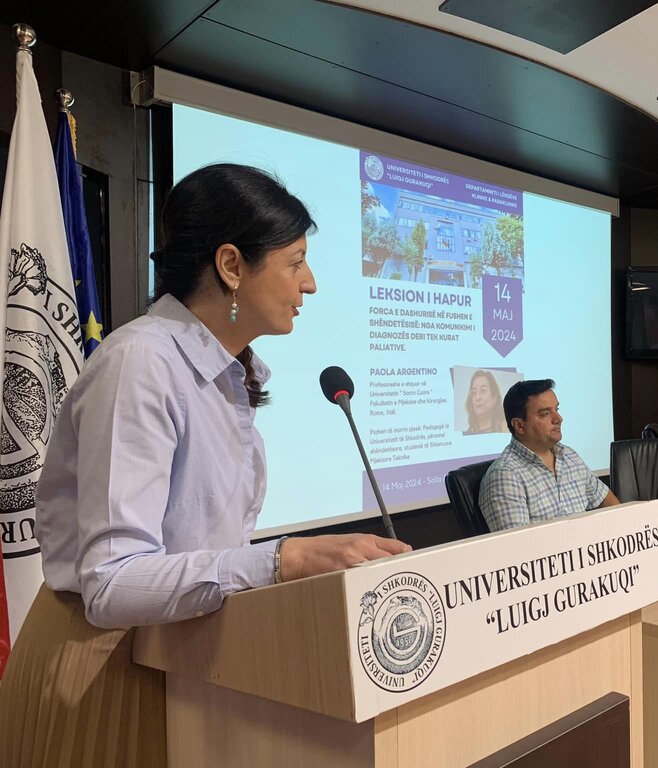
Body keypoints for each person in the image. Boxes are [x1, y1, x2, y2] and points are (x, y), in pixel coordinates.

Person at [0, 164, 411, 768]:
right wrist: (282, 560)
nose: (311, 283)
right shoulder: (142, 363)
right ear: (231, 265)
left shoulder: (230, 374)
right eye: (296, 262)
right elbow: (112, 585)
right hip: (103, 671)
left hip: (179, 660)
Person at [479, 379, 620, 531]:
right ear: (519, 425)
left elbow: (608, 502)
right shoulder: (505, 475)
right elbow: (518, 543)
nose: (558, 419)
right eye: (545, 414)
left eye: (556, 409)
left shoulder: (569, 455)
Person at [463, 369, 507, 434]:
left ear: (494, 398)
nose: (477, 397)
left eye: (483, 390)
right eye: (474, 392)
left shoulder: (506, 431)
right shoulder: (465, 435)